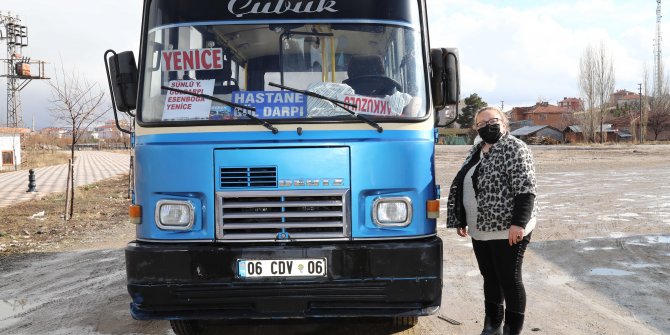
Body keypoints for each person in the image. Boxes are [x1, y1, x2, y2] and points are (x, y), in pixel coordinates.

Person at [446, 106, 537, 335]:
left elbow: (525, 189)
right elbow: (466, 183)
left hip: (507, 228)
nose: (488, 126)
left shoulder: (514, 148)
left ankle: (511, 330)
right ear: (476, 128)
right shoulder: (477, 150)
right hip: (480, 229)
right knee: (490, 278)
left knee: (509, 279)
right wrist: (461, 217)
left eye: (493, 121)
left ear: (504, 123)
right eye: (481, 123)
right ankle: (492, 325)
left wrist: (519, 223)